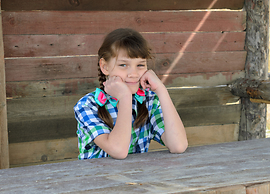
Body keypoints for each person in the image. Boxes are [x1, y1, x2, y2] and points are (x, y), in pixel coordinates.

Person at [74, 28, 188, 160]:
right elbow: (118, 151)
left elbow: (178, 145)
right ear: (105, 67)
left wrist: (161, 90)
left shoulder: (149, 101)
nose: (133, 74)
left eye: (140, 65)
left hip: (136, 177)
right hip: (95, 179)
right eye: (123, 65)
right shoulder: (87, 105)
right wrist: (125, 97)